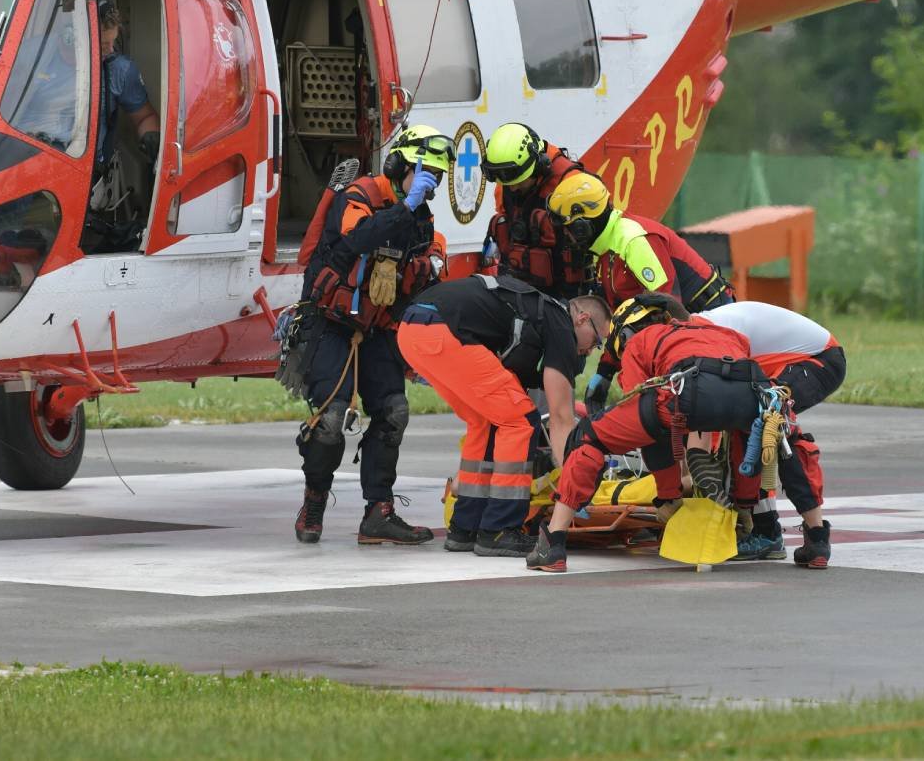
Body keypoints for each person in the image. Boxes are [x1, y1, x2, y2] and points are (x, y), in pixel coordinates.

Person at [525, 293, 831, 573]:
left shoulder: (640, 341)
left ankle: (554, 543)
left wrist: (668, 492)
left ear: (627, 332)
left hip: (682, 393)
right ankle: (813, 537)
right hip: (748, 390)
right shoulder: (725, 332)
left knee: (592, 437)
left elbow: (640, 408)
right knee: (782, 437)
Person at [294, 124, 454, 546]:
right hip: (331, 324)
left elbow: (416, 278)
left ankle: (378, 512)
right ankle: (314, 499)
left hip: (377, 327)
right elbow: (356, 242)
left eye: (435, 179)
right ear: (399, 165)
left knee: (394, 412)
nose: (429, 186)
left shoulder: (420, 216)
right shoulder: (357, 197)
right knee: (330, 419)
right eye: (423, 175)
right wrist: (407, 207)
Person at [397, 278, 611, 556]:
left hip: (412, 330)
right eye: (597, 339)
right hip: (444, 330)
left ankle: (465, 527)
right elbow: (560, 416)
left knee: (484, 421)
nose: (592, 349)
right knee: (521, 421)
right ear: (582, 319)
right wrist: (569, 484)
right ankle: (499, 529)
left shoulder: (533, 313)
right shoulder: (559, 322)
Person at [544, 173, 735, 416]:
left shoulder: (633, 241)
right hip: (691, 324)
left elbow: (668, 313)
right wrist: (605, 371)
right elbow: (624, 319)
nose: (566, 237)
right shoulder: (606, 250)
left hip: (709, 322)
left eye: (568, 229)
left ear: (583, 226)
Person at [699, 301, 845, 564]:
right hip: (784, 364)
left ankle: (814, 535)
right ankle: (766, 530)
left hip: (818, 360)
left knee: (774, 423)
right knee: (750, 421)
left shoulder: (712, 334)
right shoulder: (701, 329)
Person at [480, 123, 594, 299]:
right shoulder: (507, 181)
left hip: (567, 295)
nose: (514, 188)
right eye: (507, 183)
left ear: (539, 165)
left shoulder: (572, 183)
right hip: (518, 287)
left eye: (520, 181)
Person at [95, 0, 161, 174]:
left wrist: (151, 137)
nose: (110, 50)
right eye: (102, 45)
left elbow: (144, 116)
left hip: (86, 170)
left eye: (113, 42)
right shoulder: (38, 55)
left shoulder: (120, 70)